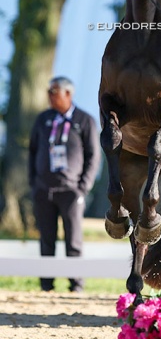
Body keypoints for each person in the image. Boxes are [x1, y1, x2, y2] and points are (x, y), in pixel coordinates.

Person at [29, 76, 101, 292]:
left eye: (54, 92)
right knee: (46, 239)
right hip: (44, 189)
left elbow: (93, 156)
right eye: (49, 92)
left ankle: (76, 285)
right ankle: (46, 285)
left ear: (68, 94)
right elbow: (32, 152)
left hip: (71, 191)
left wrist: (83, 187)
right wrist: (34, 183)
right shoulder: (43, 119)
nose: (49, 96)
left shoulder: (84, 120)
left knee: (73, 241)